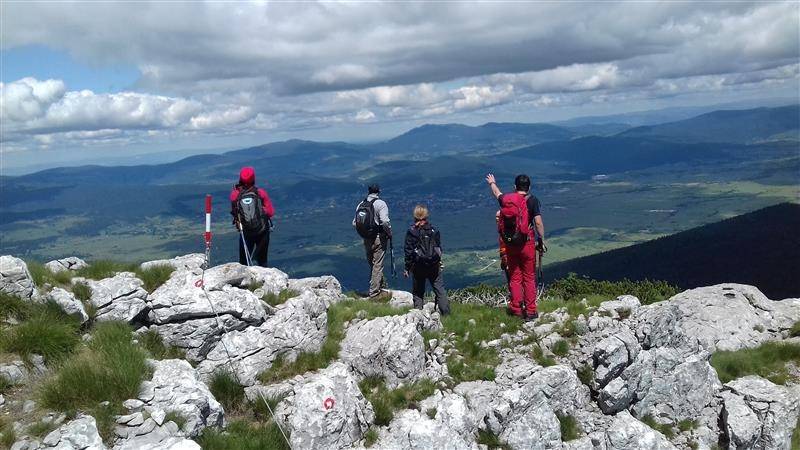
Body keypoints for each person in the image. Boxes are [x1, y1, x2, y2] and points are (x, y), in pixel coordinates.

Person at [486, 173, 545, 320]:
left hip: (511, 244)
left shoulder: (507, 199)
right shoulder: (532, 200)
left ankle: (516, 309)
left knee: (515, 277)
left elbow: (496, 193)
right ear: (529, 187)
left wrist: (492, 182)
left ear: (514, 187)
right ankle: (531, 311)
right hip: (527, 243)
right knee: (529, 277)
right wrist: (541, 240)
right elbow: (537, 222)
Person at [403, 205, 450, 315]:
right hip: (434, 265)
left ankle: (418, 314)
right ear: (426, 216)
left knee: (418, 291)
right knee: (439, 290)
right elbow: (438, 248)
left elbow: (408, 252)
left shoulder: (412, 231)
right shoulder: (434, 230)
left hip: (418, 266)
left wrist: (407, 268)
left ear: (415, 216)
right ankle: (447, 314)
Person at [353, 183, 392, 299]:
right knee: (377, 264)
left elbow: (354, 223)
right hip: (379, 238)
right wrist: (389, 232)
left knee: (372, 263)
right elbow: (385, 222)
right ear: (379, 191)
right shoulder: (381, 204)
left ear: (369, 191)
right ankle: (375, 293)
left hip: (366, 238)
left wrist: (365, 232)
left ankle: (374, 288)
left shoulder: (361, 204)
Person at [230, 167, 274, 267]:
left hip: (245, 232)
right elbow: (271, 212)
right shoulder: (260, 193)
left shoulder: (235, 194)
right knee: (262, 260)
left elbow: (235, 212)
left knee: (243, 261)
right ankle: (263, 280)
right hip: (262, 231)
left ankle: (244, 279)